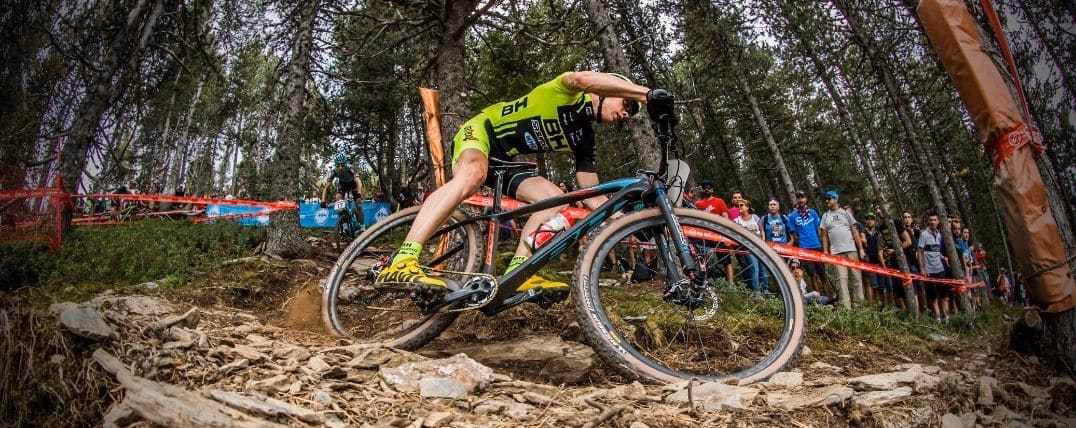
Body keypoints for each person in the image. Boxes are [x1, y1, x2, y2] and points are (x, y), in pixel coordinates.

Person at [375, 71, 663, 294]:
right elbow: (582, 78)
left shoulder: (584, 136)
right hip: (481, 132)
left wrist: (627, 219)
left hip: (505, 162)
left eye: (631, 112)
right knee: (473, 174)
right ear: (607, 89)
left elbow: (591, 191)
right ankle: (404, 258)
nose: (627, 114)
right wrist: (645, 95)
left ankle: (518, 271)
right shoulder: (566, 91)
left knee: (554, 198)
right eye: (626, 105)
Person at [820, 191, 865, 309]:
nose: (827, 201)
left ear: (835, 199)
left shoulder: (845, 213)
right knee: (841, 280)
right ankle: (846, 308)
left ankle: (859, 306)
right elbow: (824, 235)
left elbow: (855, 231)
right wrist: (825, 251)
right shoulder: (825, 216)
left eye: (829, 199)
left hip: (851, 250)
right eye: (826, 199)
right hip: (836, 252)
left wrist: (860, 249)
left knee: (856, 278)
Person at [789, 191, 826, 294]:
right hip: (804, 249)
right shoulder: (792, 216)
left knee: (822, 272)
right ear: (796, 200)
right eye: (798, 198)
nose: (801, 200)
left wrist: (821, 244)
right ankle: (818, 298)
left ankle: (828, 294)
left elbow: (818, 229)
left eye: (802, 197)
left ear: (806, 199)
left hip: (816, 246)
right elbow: (793, 235)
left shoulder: (813, 212)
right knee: (812, 274)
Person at [918, 213, 949, 321]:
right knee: (933, 297)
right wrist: (922, 268)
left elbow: (936, 250)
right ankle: (938, 318)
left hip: (940, 268)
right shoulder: (924, 234)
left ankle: (947, 318)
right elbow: (920, 251)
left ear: (938, 221)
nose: (932, 222)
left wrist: (943, 257)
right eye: (930, 220)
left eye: (934, 220)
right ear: (928, 221)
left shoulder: (939, 234)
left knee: (944, 295)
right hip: (929, 270)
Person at [734, 200, 766, 295]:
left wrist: (763, 241)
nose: (740, 207)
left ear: (747, 207)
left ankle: (765, 289)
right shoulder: (737, 220)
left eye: (742, 205)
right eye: (738, 205)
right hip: (748, 248)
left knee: (762, 268)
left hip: (760, 246)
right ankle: (756, 292)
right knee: (754, 268)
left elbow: (761, 230)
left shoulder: (755, 217)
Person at [862, 213, 886, 305]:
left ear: (875, 221)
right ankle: (876, 304)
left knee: (882, 286)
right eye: (868, 219)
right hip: (870, 263)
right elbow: (863, 243)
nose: (870, 220)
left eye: (872, 219)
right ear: (865, 221)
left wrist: (880, 213)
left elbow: (886, 222)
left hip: (880, 262)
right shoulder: (863, 232)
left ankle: (884, 305)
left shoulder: (879, 232)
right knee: (874, 285)